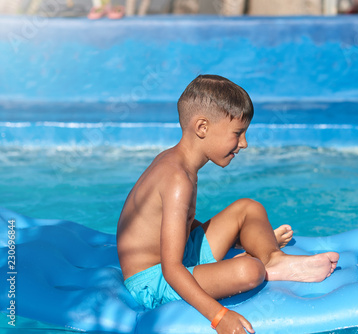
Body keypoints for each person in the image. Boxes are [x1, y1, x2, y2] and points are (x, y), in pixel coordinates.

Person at [116, 74, 339, 334]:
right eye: (238, 133)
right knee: (249, 270)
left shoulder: (178, 163)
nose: (244, 143)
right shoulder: (177, 179)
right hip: (155, 281)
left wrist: (238, 242)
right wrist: (219, 317)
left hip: (178, 255)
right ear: (202, 128)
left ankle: (274, 258)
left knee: (248, 208)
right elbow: (172, 269)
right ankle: (264, 264)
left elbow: (180, 224)